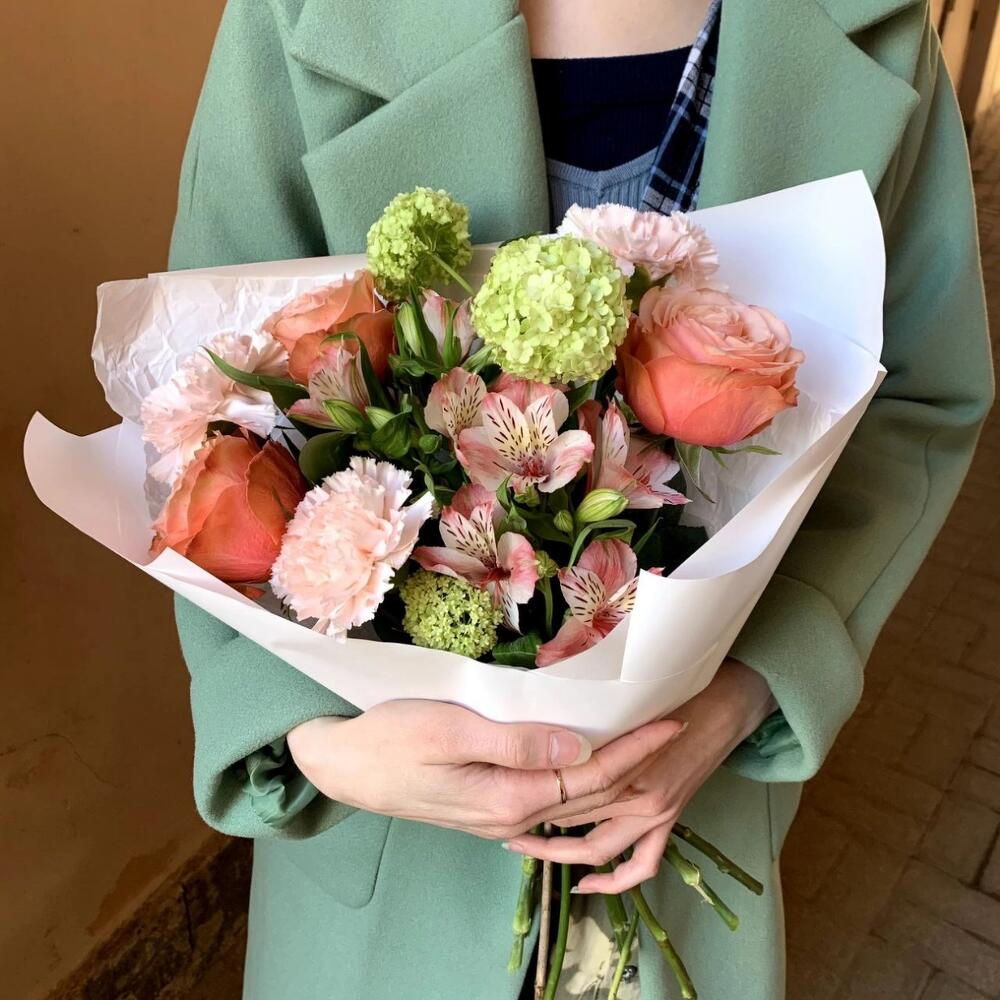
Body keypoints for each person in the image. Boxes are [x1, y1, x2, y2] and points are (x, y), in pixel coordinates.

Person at [167, 0, 994, 997]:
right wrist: (314, 741)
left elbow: (914, 398)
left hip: (688, 788)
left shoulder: (873, 24)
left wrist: (749, 688)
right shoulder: (298, 17)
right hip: (388, 855)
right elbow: (207, 408)